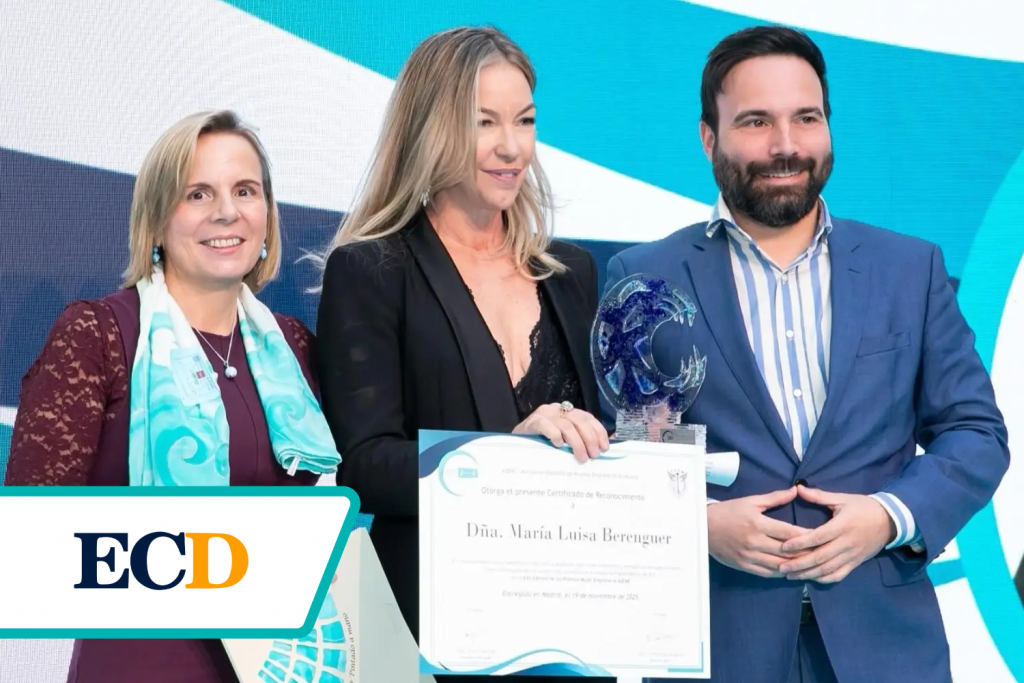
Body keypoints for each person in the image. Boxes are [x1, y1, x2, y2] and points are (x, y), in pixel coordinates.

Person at [605, 25, 1010, 683]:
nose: (786, 144)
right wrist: (700, 523)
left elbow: (975, 433)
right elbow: (627, 454)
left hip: (887, 650)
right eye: (756, 121)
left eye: (806, 118)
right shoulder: (646, 278)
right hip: (718, 646)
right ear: (708, 137)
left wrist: (888, 516)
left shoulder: (909, 269)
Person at [314, 26, 612, 683]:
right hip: (438, 634)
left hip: (573, 630)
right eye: (485, 123)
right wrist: (505, 454)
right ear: (432, 129)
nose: (512, 146)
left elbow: (601, 443)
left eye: (525, 120)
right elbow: (365, 465)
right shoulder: (371, 271)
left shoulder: (572, 273)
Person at [6, 110, 341, 682]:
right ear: (158, 219)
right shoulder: (98, 336)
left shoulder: (295, 348)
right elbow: (32, 541)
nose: (227, 212)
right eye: (198, 194)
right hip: (142, 665)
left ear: (267, 216)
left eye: (245, 191)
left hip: (281, 665)